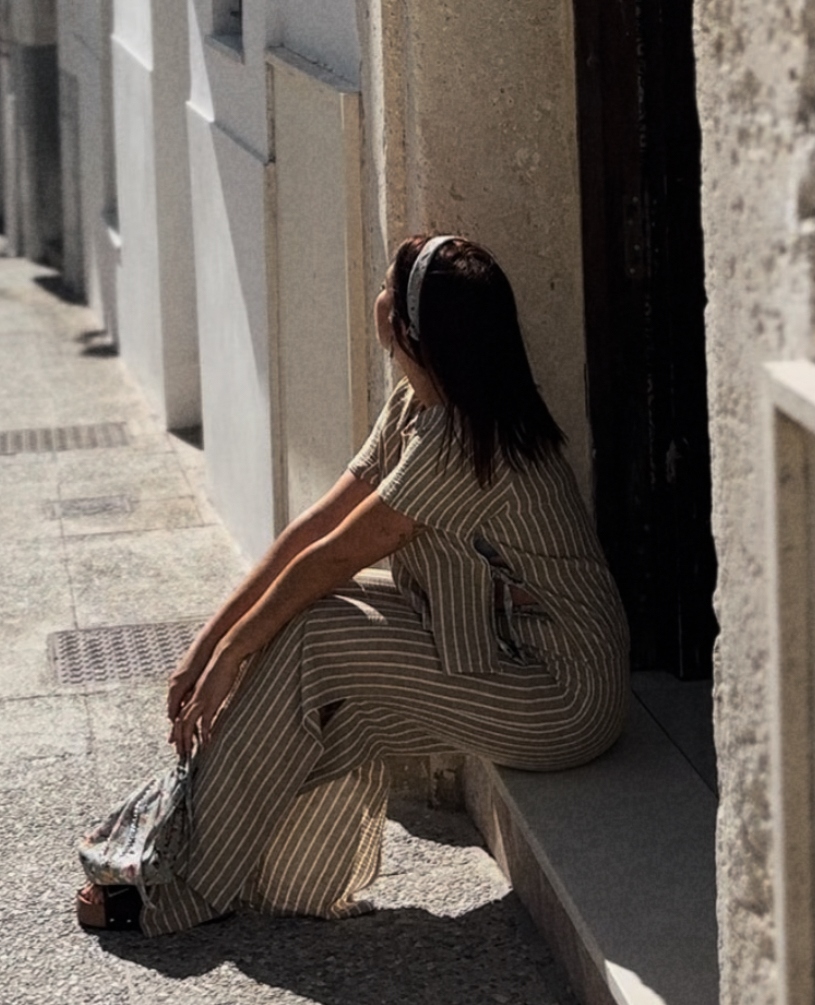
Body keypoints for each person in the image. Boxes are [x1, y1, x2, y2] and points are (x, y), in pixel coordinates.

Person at [76, 233, 630, 934]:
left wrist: (230, 656)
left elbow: (333, 557)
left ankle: (179, 881)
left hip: (563, 692)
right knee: (334, 700)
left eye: (388, 285)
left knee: (316, 630)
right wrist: (206, 646)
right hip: (501, 648)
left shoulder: (463, 445)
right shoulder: (418, 407)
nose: (377, 293)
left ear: (407, 327)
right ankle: (210, 853)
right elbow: (313, 530)